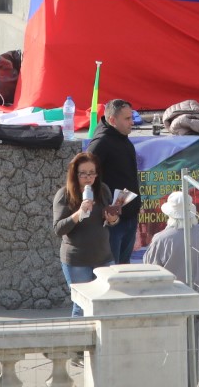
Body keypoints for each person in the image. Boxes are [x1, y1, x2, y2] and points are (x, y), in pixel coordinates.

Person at [143, 191, 199, 379]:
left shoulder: (161, 239)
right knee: (195, 349)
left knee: (169, 351)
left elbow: (149, 270)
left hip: (170, 305)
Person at [53, 152, 119, 318]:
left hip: (103, 257)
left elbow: (108, 223)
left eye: (92, 173)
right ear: (75, 175)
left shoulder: (103, 190)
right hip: (77, 260)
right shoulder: (64, 195)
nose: (88, 178)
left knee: (105, 304)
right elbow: (59, 229)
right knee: (82, 306)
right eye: (83, 174)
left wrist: (112, 219)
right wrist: (79, 213)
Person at [87, 99, 140, 264]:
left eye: (131, 118)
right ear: (112, 120)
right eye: (127, 119)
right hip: (112, 223)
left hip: (129, 217)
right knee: (111, 272)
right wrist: (103, 207)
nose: (132, 122)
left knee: (123, 270)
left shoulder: (121, 137)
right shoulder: (101, 142)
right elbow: (84, 177)